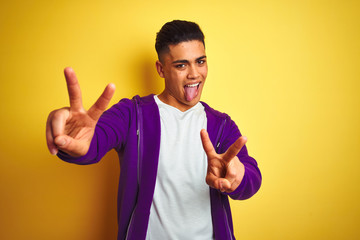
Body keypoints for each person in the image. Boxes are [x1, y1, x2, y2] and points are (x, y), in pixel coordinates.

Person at [46, 20, 261, 240]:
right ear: (161, 69)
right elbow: (94, 142)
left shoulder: (221, 125)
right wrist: (73, 137)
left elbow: (252, 178)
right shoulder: (132, 114)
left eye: (201, 61)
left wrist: (239, 176)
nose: (194, 74)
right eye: (181, 65)